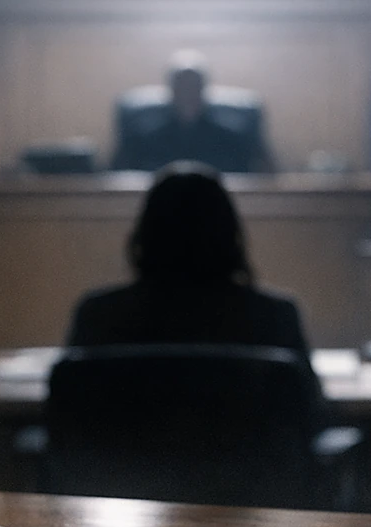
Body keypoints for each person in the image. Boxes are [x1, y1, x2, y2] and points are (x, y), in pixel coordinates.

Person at [66, 160, 309, 353]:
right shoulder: (275, 319)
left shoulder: (98, 316)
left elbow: (63, 410)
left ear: (144, 236)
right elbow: (311, 409)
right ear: (230, 235)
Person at [109, 50, 274, 174]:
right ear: (171, 90)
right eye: (182, 86)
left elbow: (261, 174)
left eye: (194, 86)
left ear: (204, 89)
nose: (188, 93)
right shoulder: (143, 135)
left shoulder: (233, 135)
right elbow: (118, 174)